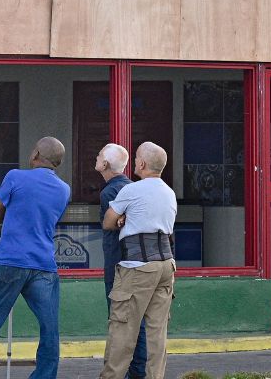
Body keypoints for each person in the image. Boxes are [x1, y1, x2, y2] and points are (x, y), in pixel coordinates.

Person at [0, 136, 70, 379]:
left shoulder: (15, 177)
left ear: (36, 154)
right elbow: (36, 220)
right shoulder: (64, 189)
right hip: (43, 265)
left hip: (9, 261)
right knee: (49, 327)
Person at [99, 142, 178, 379]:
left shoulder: (131, 191)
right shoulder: (169, 192)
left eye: (136, 158)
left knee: (122, 330)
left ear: (142, 164)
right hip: (166, 266)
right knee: (157, 333)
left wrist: (123, 218)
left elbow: (108, 223)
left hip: (137, 266)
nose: (134, 162)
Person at [96, 143, 147, 379]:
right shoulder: (135, 187)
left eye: (99, 156)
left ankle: (127, 372)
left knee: (119, 321)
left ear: (105, 164)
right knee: (138, 320)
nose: (96, 158)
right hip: (138, 261)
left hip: (118, 262)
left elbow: (113, 225)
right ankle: (138, 371)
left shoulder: (109, 193)